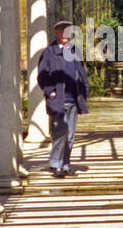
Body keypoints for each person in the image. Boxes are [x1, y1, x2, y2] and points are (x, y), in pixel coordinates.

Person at [36, 19, 90, 177]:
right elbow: (42, 75)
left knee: (71, 135)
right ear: (57, 33)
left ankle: (65, 164)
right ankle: (56, 164)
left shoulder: (75, 51)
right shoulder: (49, 52)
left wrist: (84, 90)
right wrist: (50, 91)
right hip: (58, 99)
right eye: (62, 30)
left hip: (74, 99)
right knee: (61, 132)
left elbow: (81, 72)